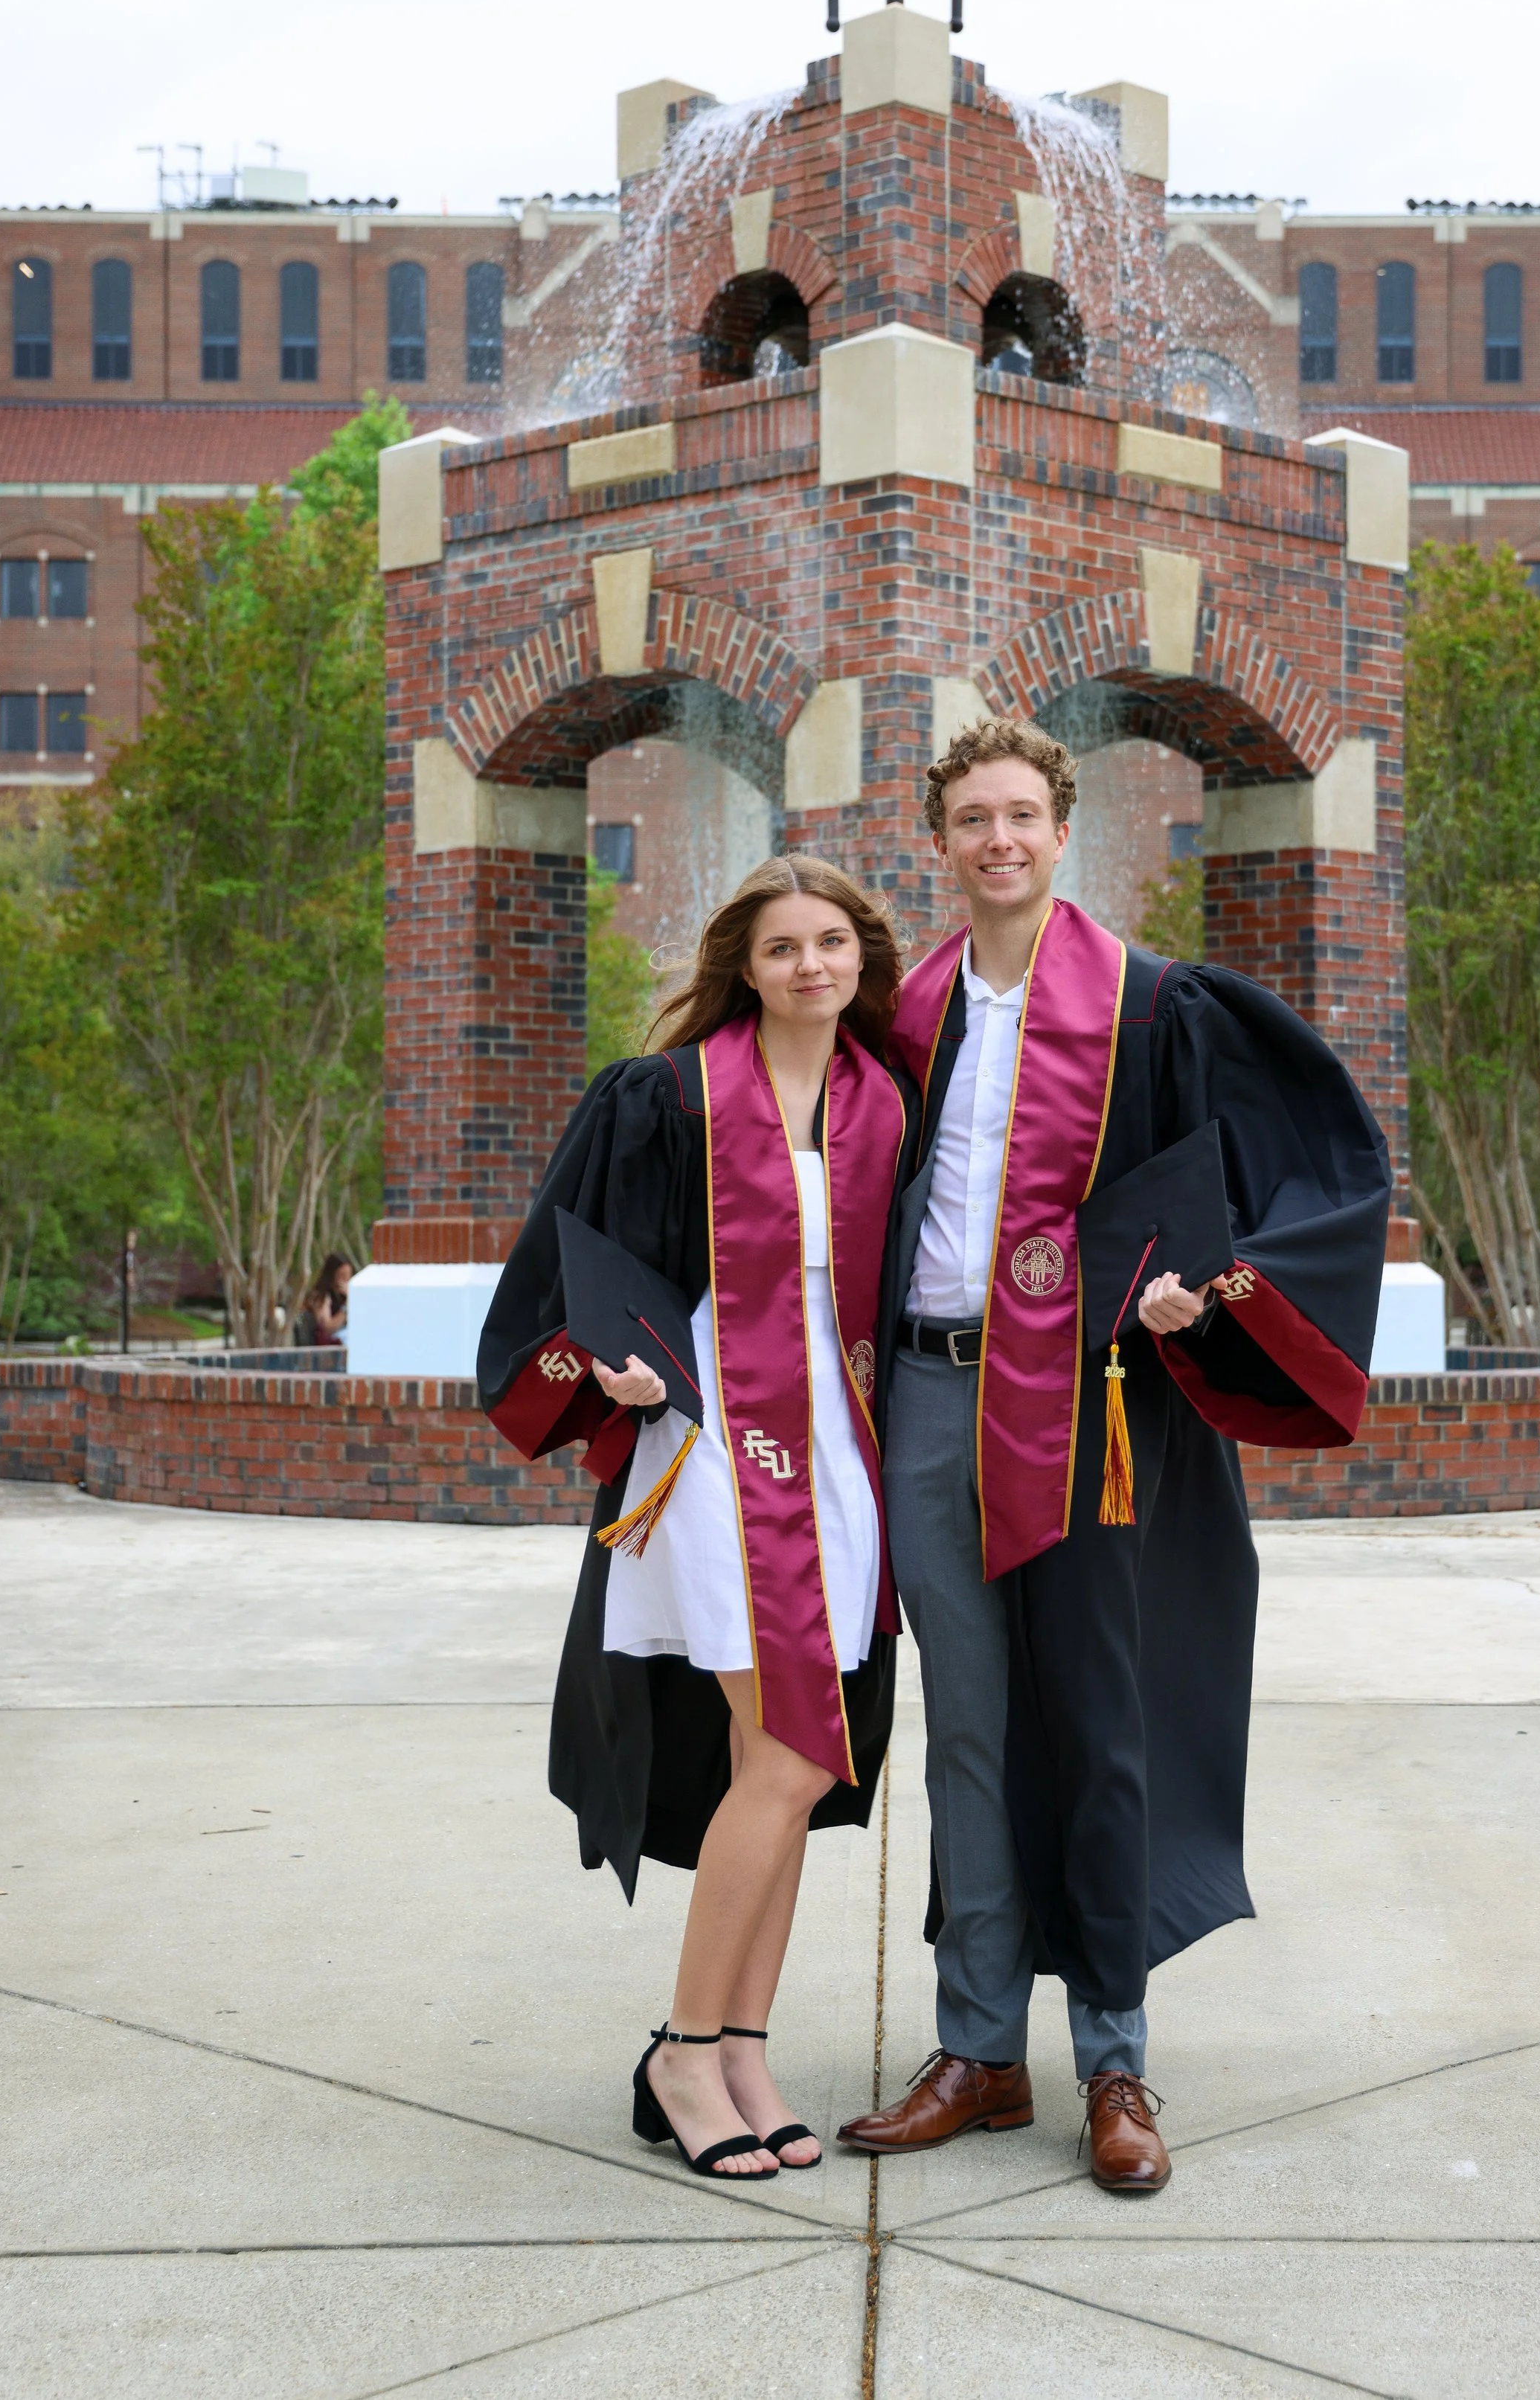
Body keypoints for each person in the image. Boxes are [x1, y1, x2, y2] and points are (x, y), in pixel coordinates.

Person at [835, 719, 1390, 2195]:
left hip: (1087, 1406)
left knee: (1096, 1713)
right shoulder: (911, 1010)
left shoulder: (1151, 1006)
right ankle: (977, 2046)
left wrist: (1199, 1282)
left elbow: (1289, 1170)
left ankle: (1113, 2054)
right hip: (929, 1392)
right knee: (964, 1722)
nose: (997, 838)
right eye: (970, 818)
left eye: (1020, 813)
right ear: (938, 839)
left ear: (1058, 826)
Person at [479, 857, 916, 2183]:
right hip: (718, 1444)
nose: (810, 965)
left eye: (831, 941)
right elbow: (574, 1266)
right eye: (783, 946)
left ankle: (742, 2048)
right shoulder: (665, 1097)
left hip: (838, 1451)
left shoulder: (886, 1101)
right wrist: (609, 1364)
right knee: (788, 1754)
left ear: (861, 958)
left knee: (780, 1764)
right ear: (744, 962)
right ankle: (680, 2047)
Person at [298, 1254, 352, 1347]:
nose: (346, 1281)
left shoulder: (345, 1295)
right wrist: (346, 1306)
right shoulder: (322, 1297)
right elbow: (327, 1329)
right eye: (342, 1276)